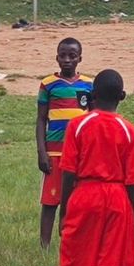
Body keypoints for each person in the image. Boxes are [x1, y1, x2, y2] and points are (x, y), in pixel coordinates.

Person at [46, 69, 134, 266]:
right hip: (117, 200)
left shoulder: (77, 126)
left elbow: (68, 173)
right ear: (122, 96)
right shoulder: (130, 131)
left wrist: (64, 211)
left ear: (91, 95)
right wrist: (133, 219)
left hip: (84, 196)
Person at [36, 38, 93, 249]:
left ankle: (75, 242)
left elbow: (92, 117)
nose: (67, 60)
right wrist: (42, 152)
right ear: (57, 58)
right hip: (55, 153)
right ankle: (44, 246)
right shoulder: (48, 84)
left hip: (80, 155)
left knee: (78, 201)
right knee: (50, 202)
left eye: (72, 56)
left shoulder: (88, 84)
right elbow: (41, 119)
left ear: (80, 58)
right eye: (63, 55)